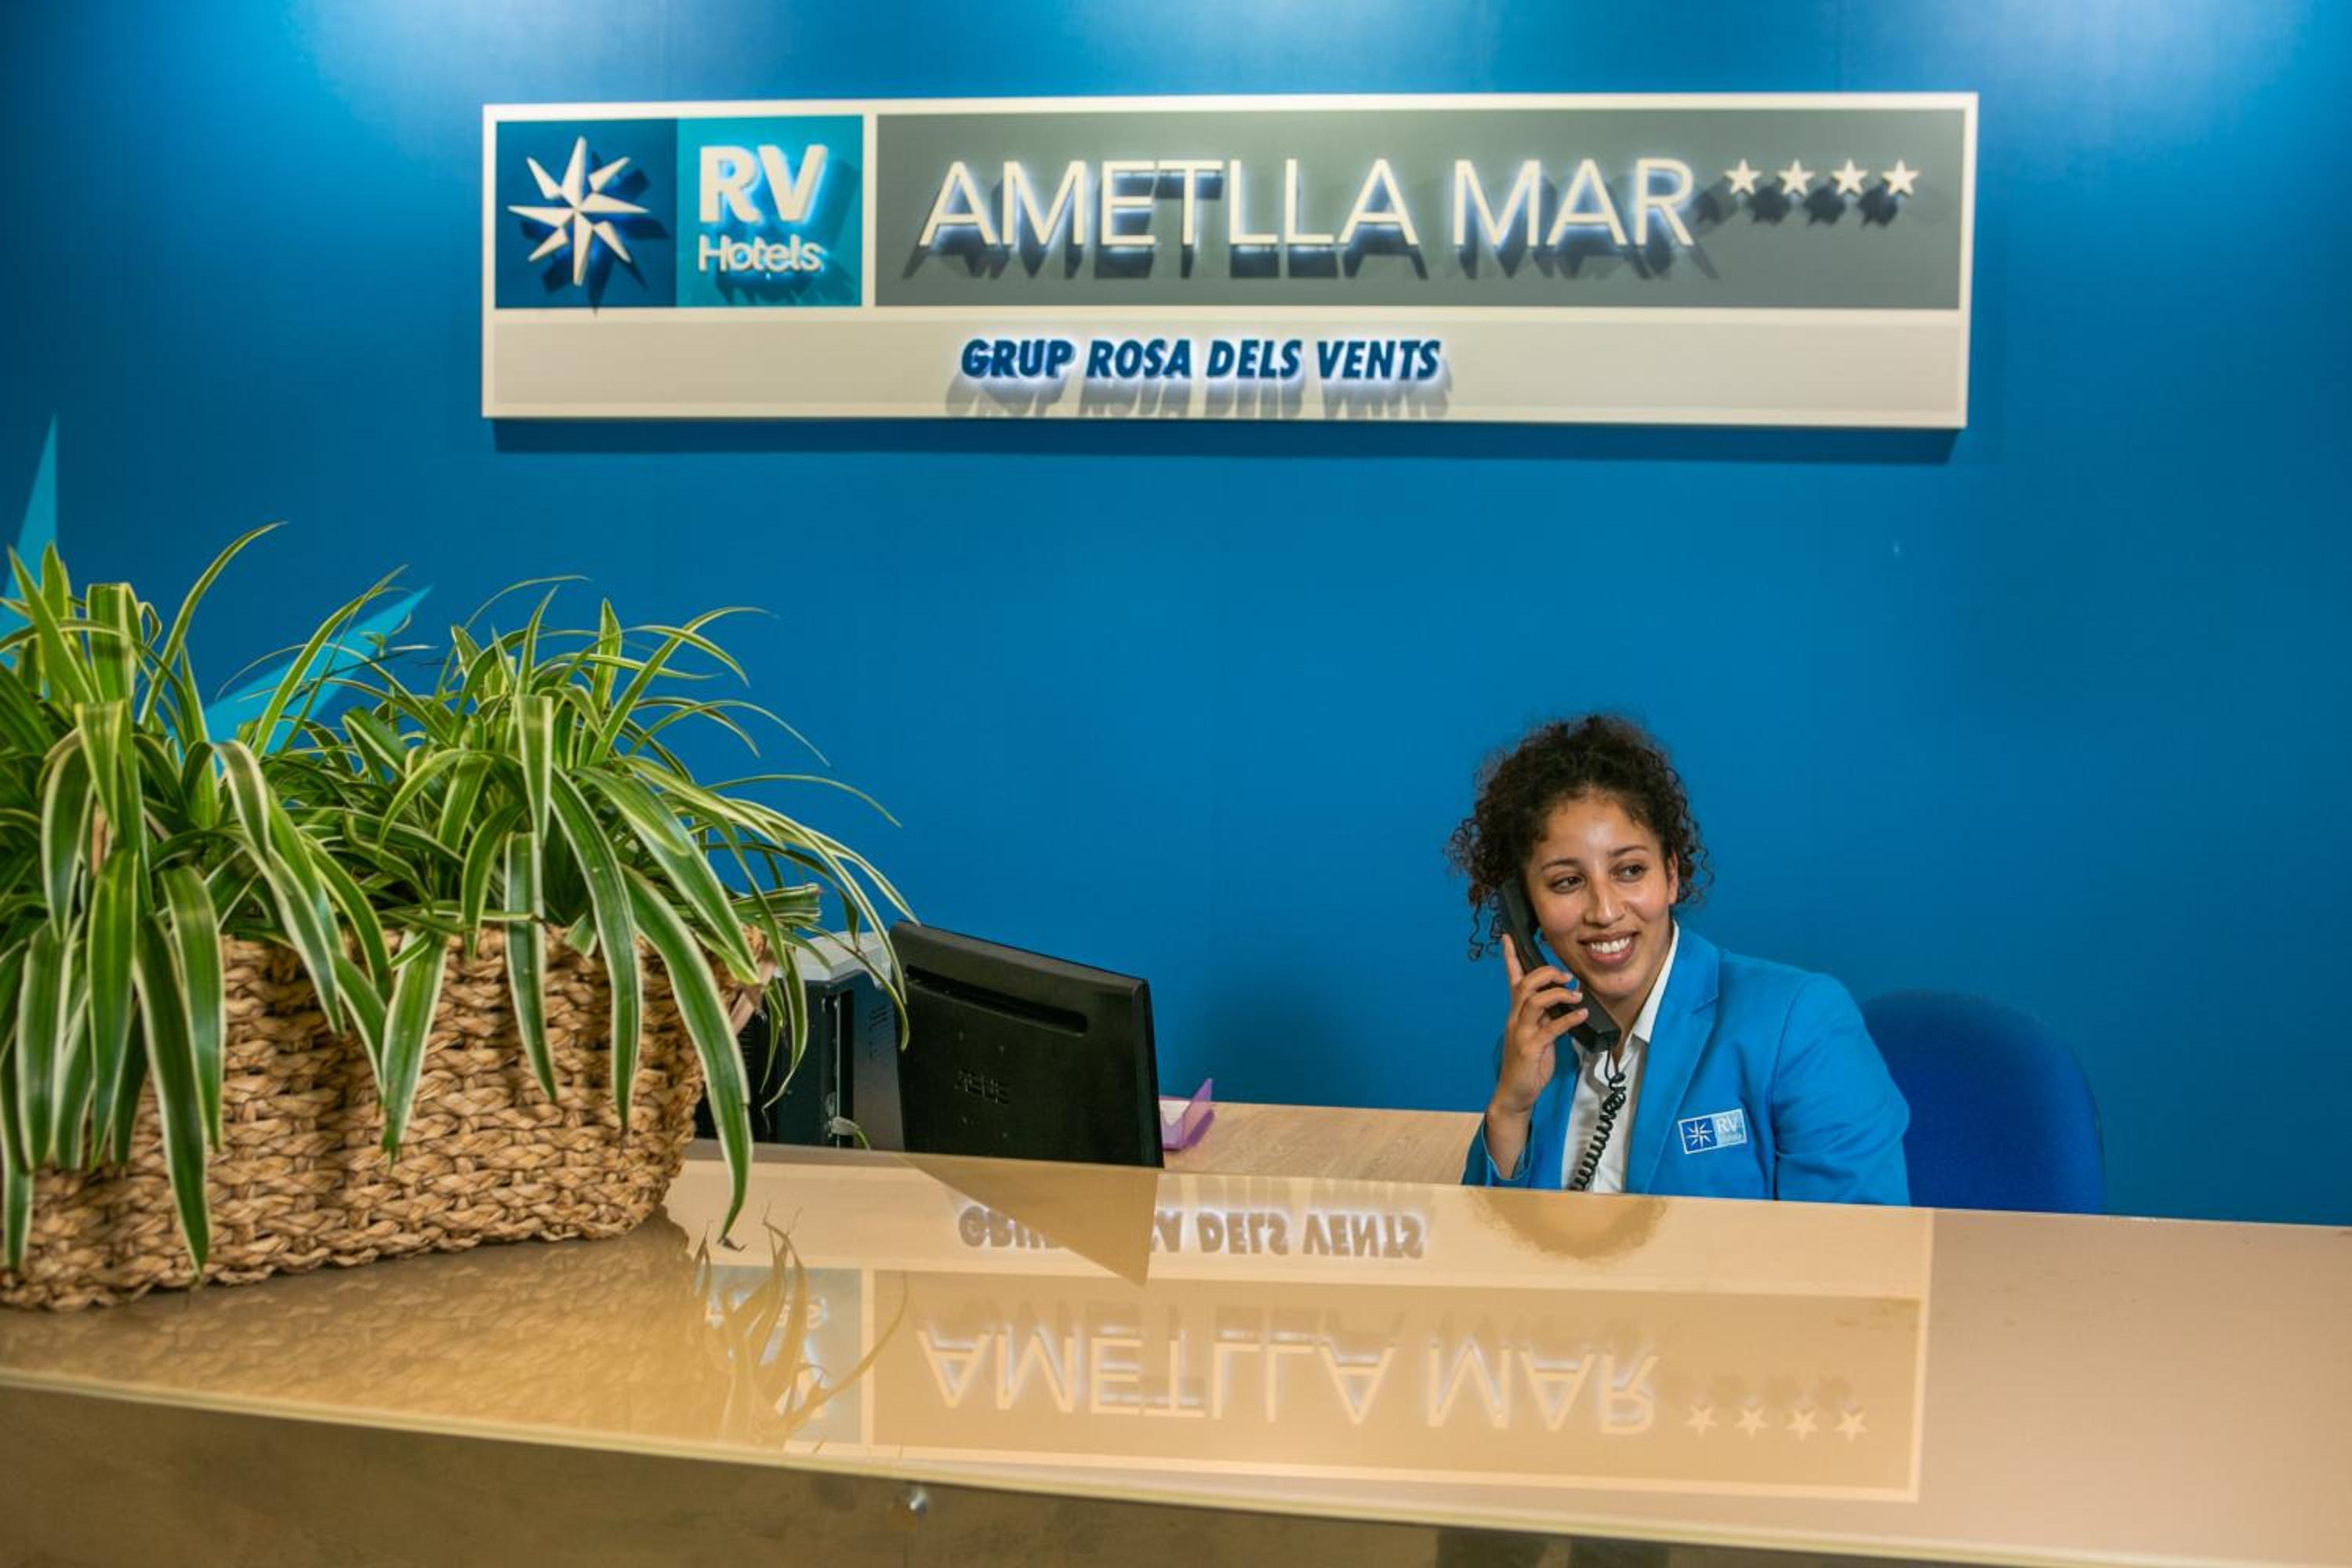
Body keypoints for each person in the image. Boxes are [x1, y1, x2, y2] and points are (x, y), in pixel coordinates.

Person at [1450, 714, 1909, 1202]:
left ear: (1671, 876)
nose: (1605, 911)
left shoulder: (1799, 1022)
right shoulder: (1536, 1051)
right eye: (1567, 882)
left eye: (1630, 870)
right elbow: (1487, 1239)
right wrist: (1511, 1110)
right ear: (1526, 908)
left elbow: (1859, 1239)